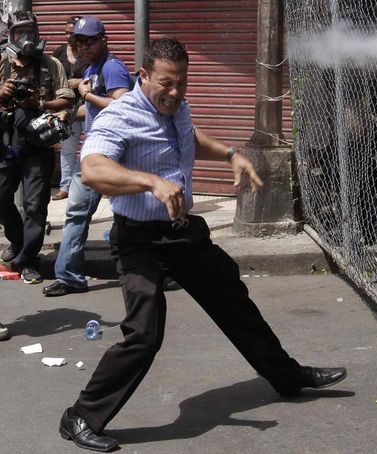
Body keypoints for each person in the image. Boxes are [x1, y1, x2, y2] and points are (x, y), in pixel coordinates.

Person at [58, 37, 347, 452]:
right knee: (144, 333)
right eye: (166, 83)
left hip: (182, 234)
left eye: (182, 83)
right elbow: (93, 171)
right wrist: (150, 181)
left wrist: (231, 153)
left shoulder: (175, 107)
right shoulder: (119, 117)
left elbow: (188, 138)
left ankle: (287, 377)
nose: (175, 92)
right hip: (140, 239)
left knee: (234, 301)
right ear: (143, 76)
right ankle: (81, 416)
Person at [42, 16, 131, 297]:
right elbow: (93, 110)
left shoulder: (113, 67)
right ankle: (70, 276)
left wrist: (88, 95)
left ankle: (148, 268)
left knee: (124, 216)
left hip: (110, 153)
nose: (83, 46)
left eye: (90, 41)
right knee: (78, 213)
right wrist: (67, 114)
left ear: (104, 39)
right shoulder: (93, 67)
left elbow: (122, 105)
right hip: (94, 150)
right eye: (78, 41)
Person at [0, 10, 75, 284]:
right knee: (2, 199)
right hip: (6, 146)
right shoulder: (2, 62)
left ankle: (29, 261)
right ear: (11, 35)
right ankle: (17, 241)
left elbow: (67, 98)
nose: (26, 38)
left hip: (36, 148)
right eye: (20, 33)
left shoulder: (50, 63)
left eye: (30, 32)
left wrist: (40, 104)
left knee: (35, 207)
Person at [51, 15, 87, 201]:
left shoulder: (88, 51)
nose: (68, 37)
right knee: (68, 149)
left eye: (71, 33)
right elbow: (50, 76)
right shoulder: (58, 53)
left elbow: (99, 76)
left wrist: (80, 82)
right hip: (67, 109)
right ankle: (65, 186)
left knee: (91, 147)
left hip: (88, 107)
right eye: (65, 33)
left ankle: (90, 182)